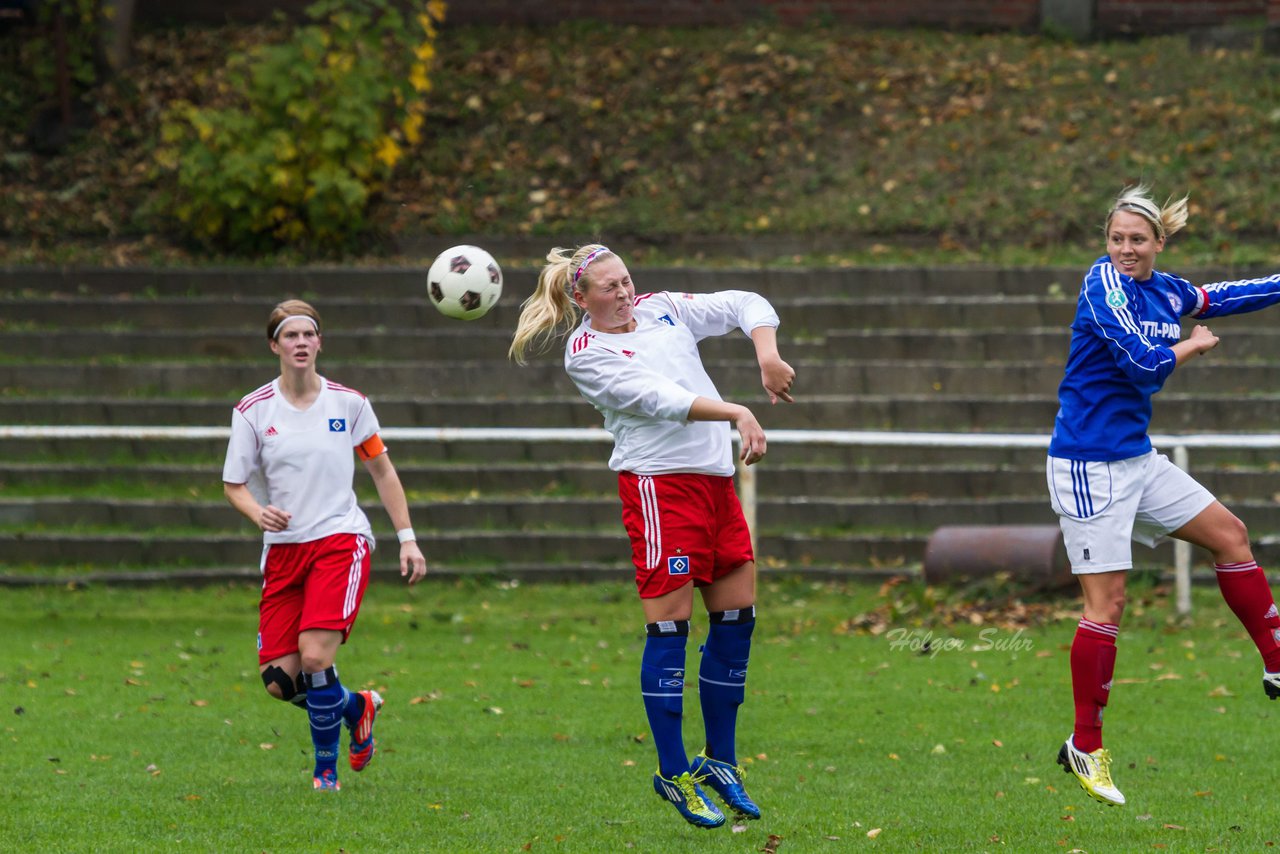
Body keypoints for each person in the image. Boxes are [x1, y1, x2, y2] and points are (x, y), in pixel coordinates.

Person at [510, 245, 795, 829]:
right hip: (660, 490)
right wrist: (738, 412)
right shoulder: (586, 352)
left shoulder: (663, 308)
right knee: (670, 628)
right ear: (580, 299)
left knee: (738, 621)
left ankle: (720, 760)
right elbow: (660, 402)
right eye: (609, 287)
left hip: (717, 486)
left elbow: (744, 303)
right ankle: (671, 770)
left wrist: (766, 353)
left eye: (626, 281)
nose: (623, 293)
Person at [1047, 185, 1280, 807]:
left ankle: (1277, 659)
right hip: (1088, 466)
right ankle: (1085, 746)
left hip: (1136, 459)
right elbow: (1145, 365)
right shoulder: (1103, 287)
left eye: (1137, 240)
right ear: (1107, 242)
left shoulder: (1166, 288)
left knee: (1230, 536)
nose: (1126, 248)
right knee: (1109, 604)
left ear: (1158, 243)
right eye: (1117, 239)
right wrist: (1192, 345)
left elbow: (1220, 297)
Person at [222, 299, 427, 791]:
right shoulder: (253, 411)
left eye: (308, 335)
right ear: (275, 345)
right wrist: (257, 512)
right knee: (280, 680)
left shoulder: (349, 403)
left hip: (341, 540)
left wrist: (407, 538)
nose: (300, 343)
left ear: (319, 343)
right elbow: (234, 485)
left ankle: (325, 772)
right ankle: (358, 707)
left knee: (315, 658)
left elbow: (381, 468)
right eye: (290, 336)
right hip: (284, 551)